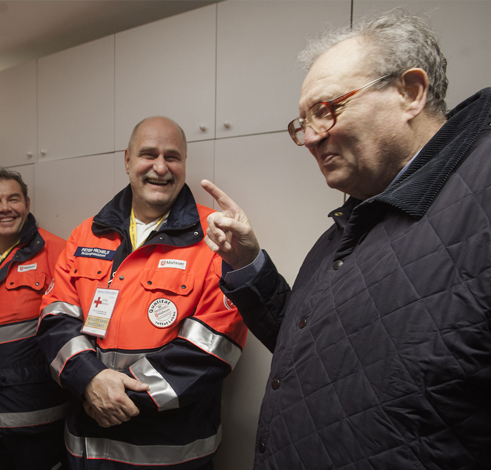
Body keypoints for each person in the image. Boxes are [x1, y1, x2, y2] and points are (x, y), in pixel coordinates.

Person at [203, 10, 491, 470]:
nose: (312, 139)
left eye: (326, 110)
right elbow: (316, 351)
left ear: (409, 93)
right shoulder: (355, 218)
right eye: (303, 123)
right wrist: (249, 263)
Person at [37, 116, 248, 469]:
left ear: (184, 164)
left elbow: (214, 346)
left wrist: (116, 397)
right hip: (87, 448)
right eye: (148, 154)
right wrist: (89, 378)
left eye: (173, 157)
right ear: (127, 161)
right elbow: (54, 319)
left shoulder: (216, 237)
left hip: (172, 451)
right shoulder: (85, 235)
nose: (161, 167)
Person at [0, 169, 68, 469]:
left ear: (27, 204)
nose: (4, 208)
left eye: (13, 199)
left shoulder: (57, 252)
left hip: (35, 426)